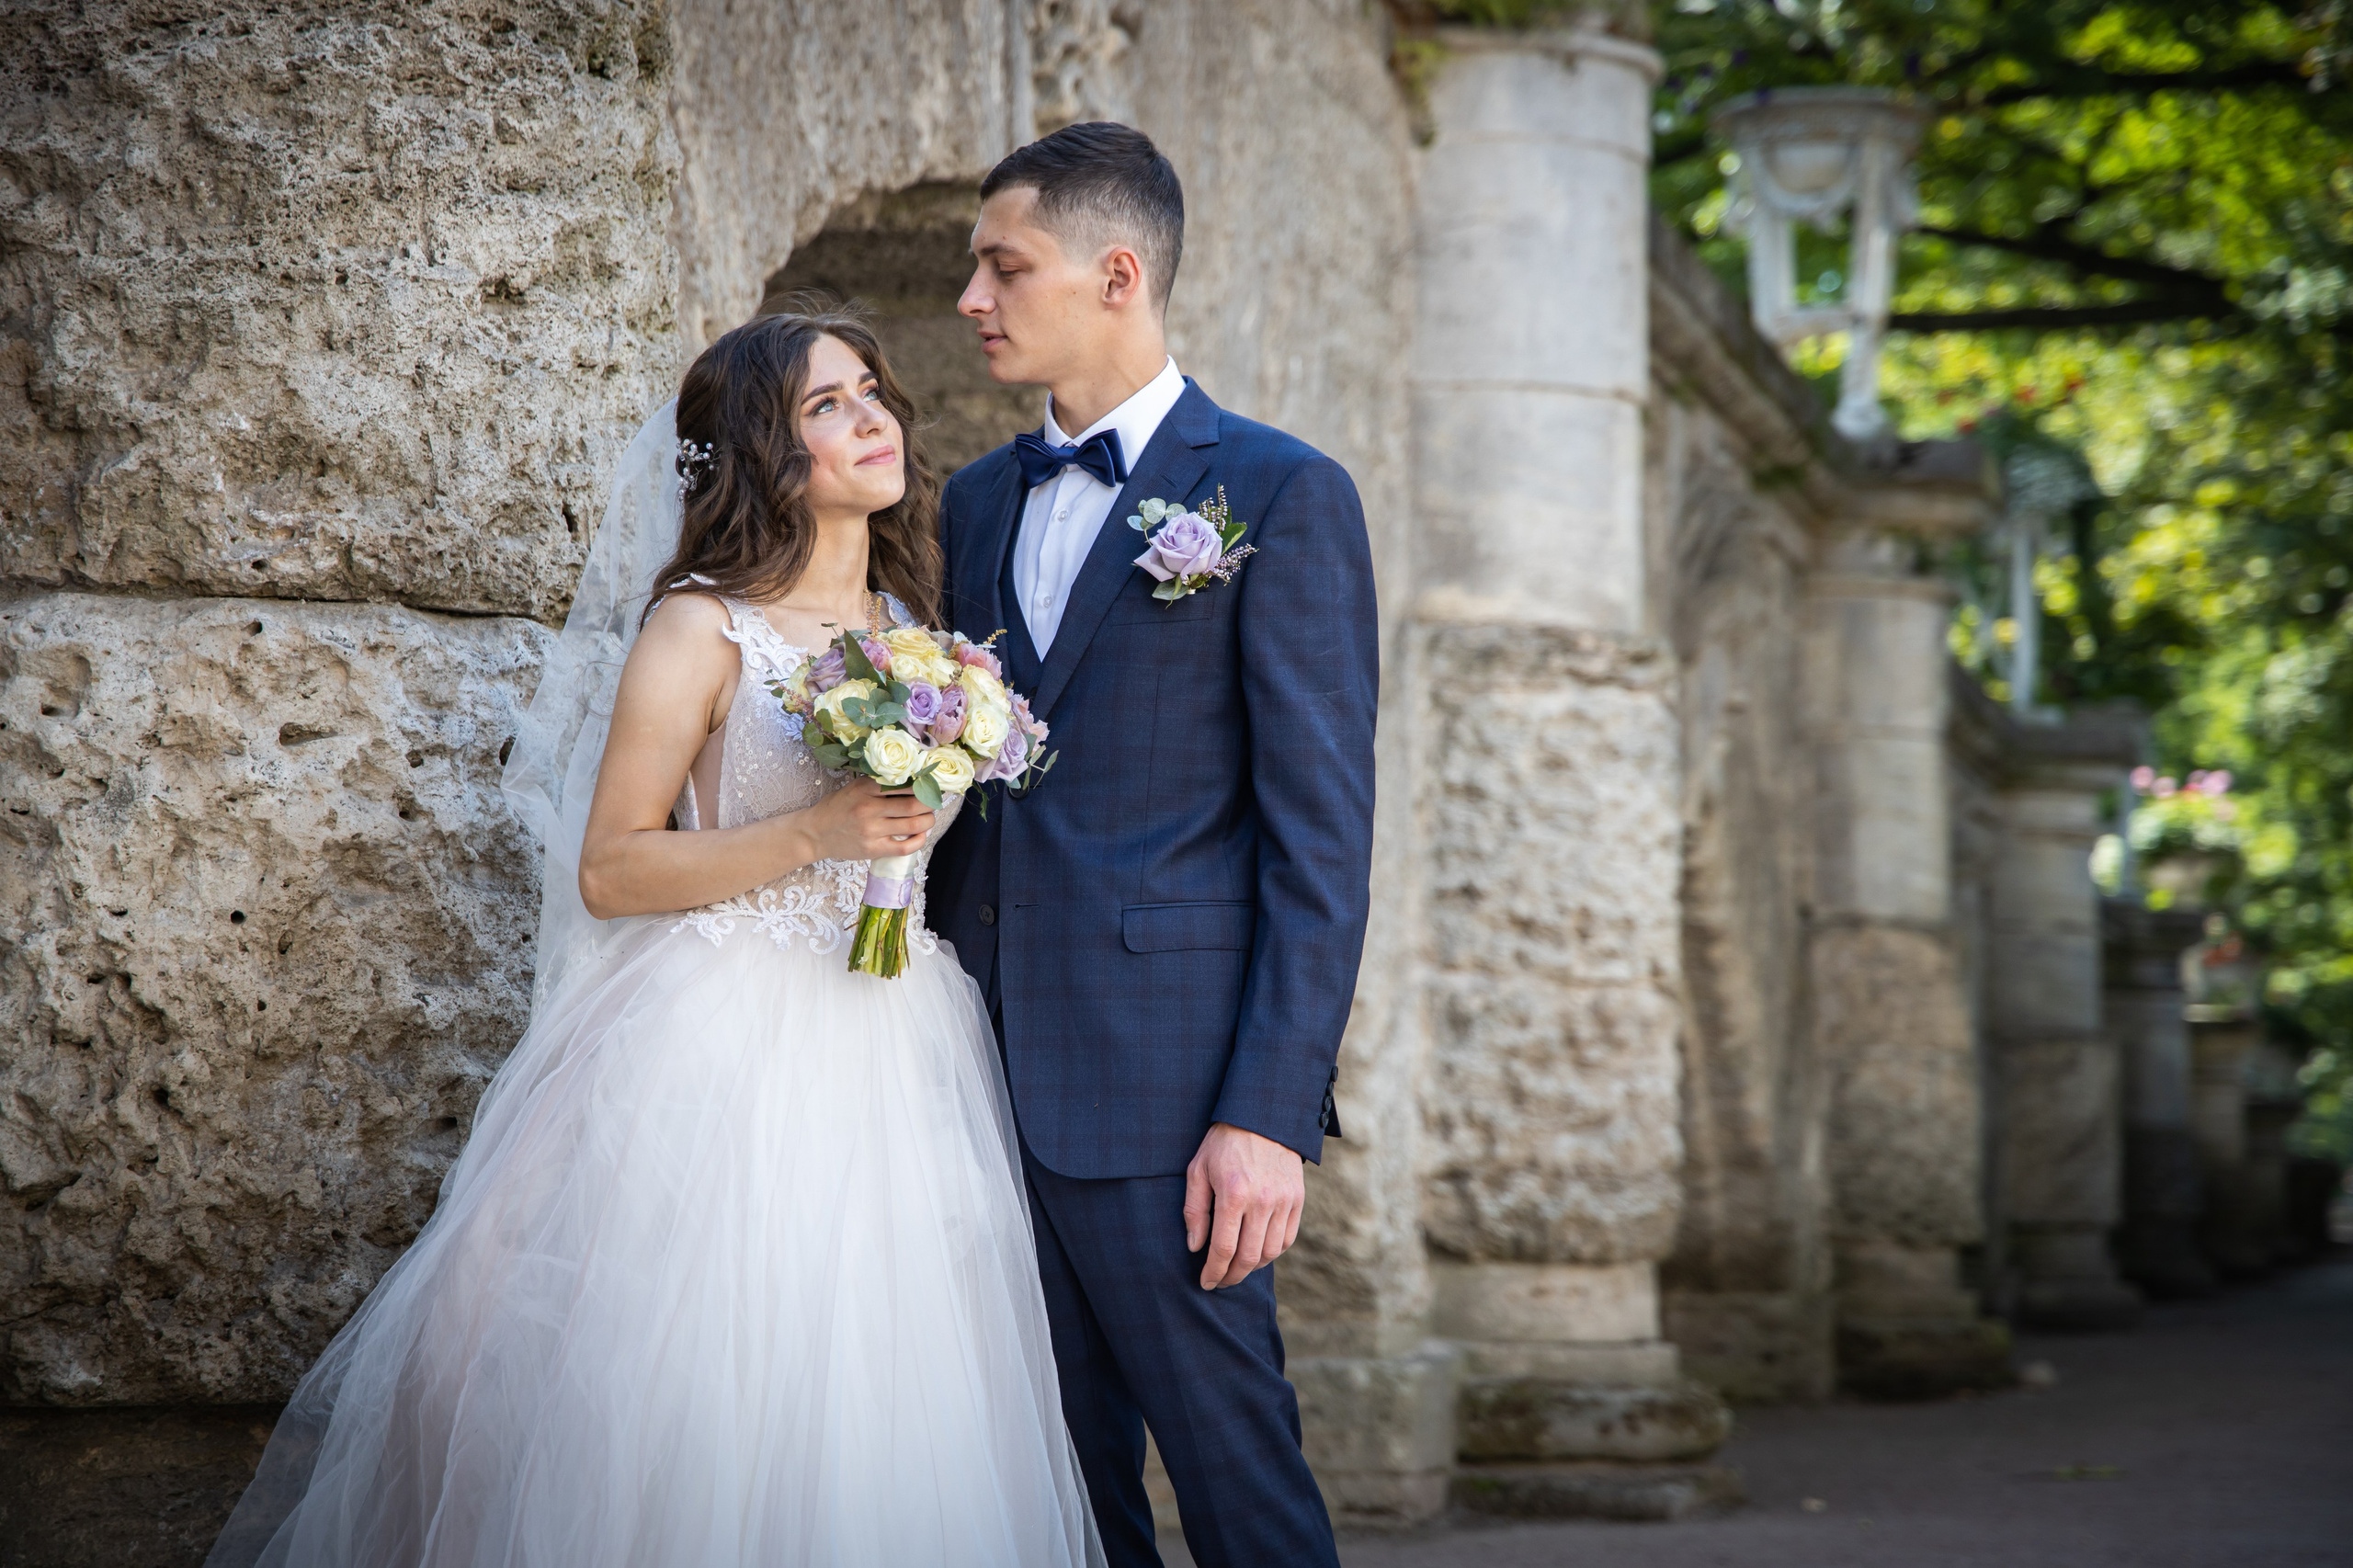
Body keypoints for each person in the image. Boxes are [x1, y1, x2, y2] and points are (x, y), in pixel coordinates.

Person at [205, 306, 1103, 1568]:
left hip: (893, 1051)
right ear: (762, 453)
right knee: (696, 1406)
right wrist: (815, 834)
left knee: (875, 1408)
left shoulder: (926, 631)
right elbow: (614, 864)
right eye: (824, 407)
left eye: (871, 392)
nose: (871, 420)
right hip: (719, 1042)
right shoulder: (702, 626)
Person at [928, 122, 1379, 1568]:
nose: (971, 299)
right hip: (979, 1078)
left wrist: (1269, 1114)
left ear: (1117, 272)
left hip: (1175, 1109)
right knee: (1053, 1505)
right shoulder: (975, 501)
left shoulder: (1282, 493)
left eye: (1005, 265)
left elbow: (1321, 845)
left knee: (1242, 1491)